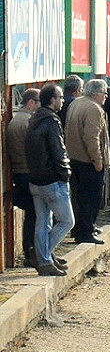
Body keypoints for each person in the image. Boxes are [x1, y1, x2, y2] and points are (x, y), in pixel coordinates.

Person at [25, 84, 74, 276]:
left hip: (35, 179)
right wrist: (65, 174)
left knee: (43, 221)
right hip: (52, 180)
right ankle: (42, 255)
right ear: (51, 100)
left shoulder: (35, 118)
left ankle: (45, 258)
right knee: (67, 221)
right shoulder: (51, 121)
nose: (62, 101)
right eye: (60, 97)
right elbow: (58, 151)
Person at [65, 79, 110, 245]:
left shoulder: (76, 103)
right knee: (91, 198)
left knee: (78, 197)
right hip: (87, 161)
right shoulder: (94, 109)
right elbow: (92, 138)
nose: (106, 97)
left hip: (73, 157)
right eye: (105, 93)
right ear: (97, 93)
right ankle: (86, 231)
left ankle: (80, 228)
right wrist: (98, 160)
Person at [7, 89, 40, 267]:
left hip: (20, 172)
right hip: (27, 172)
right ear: (31, 103)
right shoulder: (28, 122)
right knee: (35, 215)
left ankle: (30, 251)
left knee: (32, 215)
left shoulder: (17, 120)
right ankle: (32, 252)